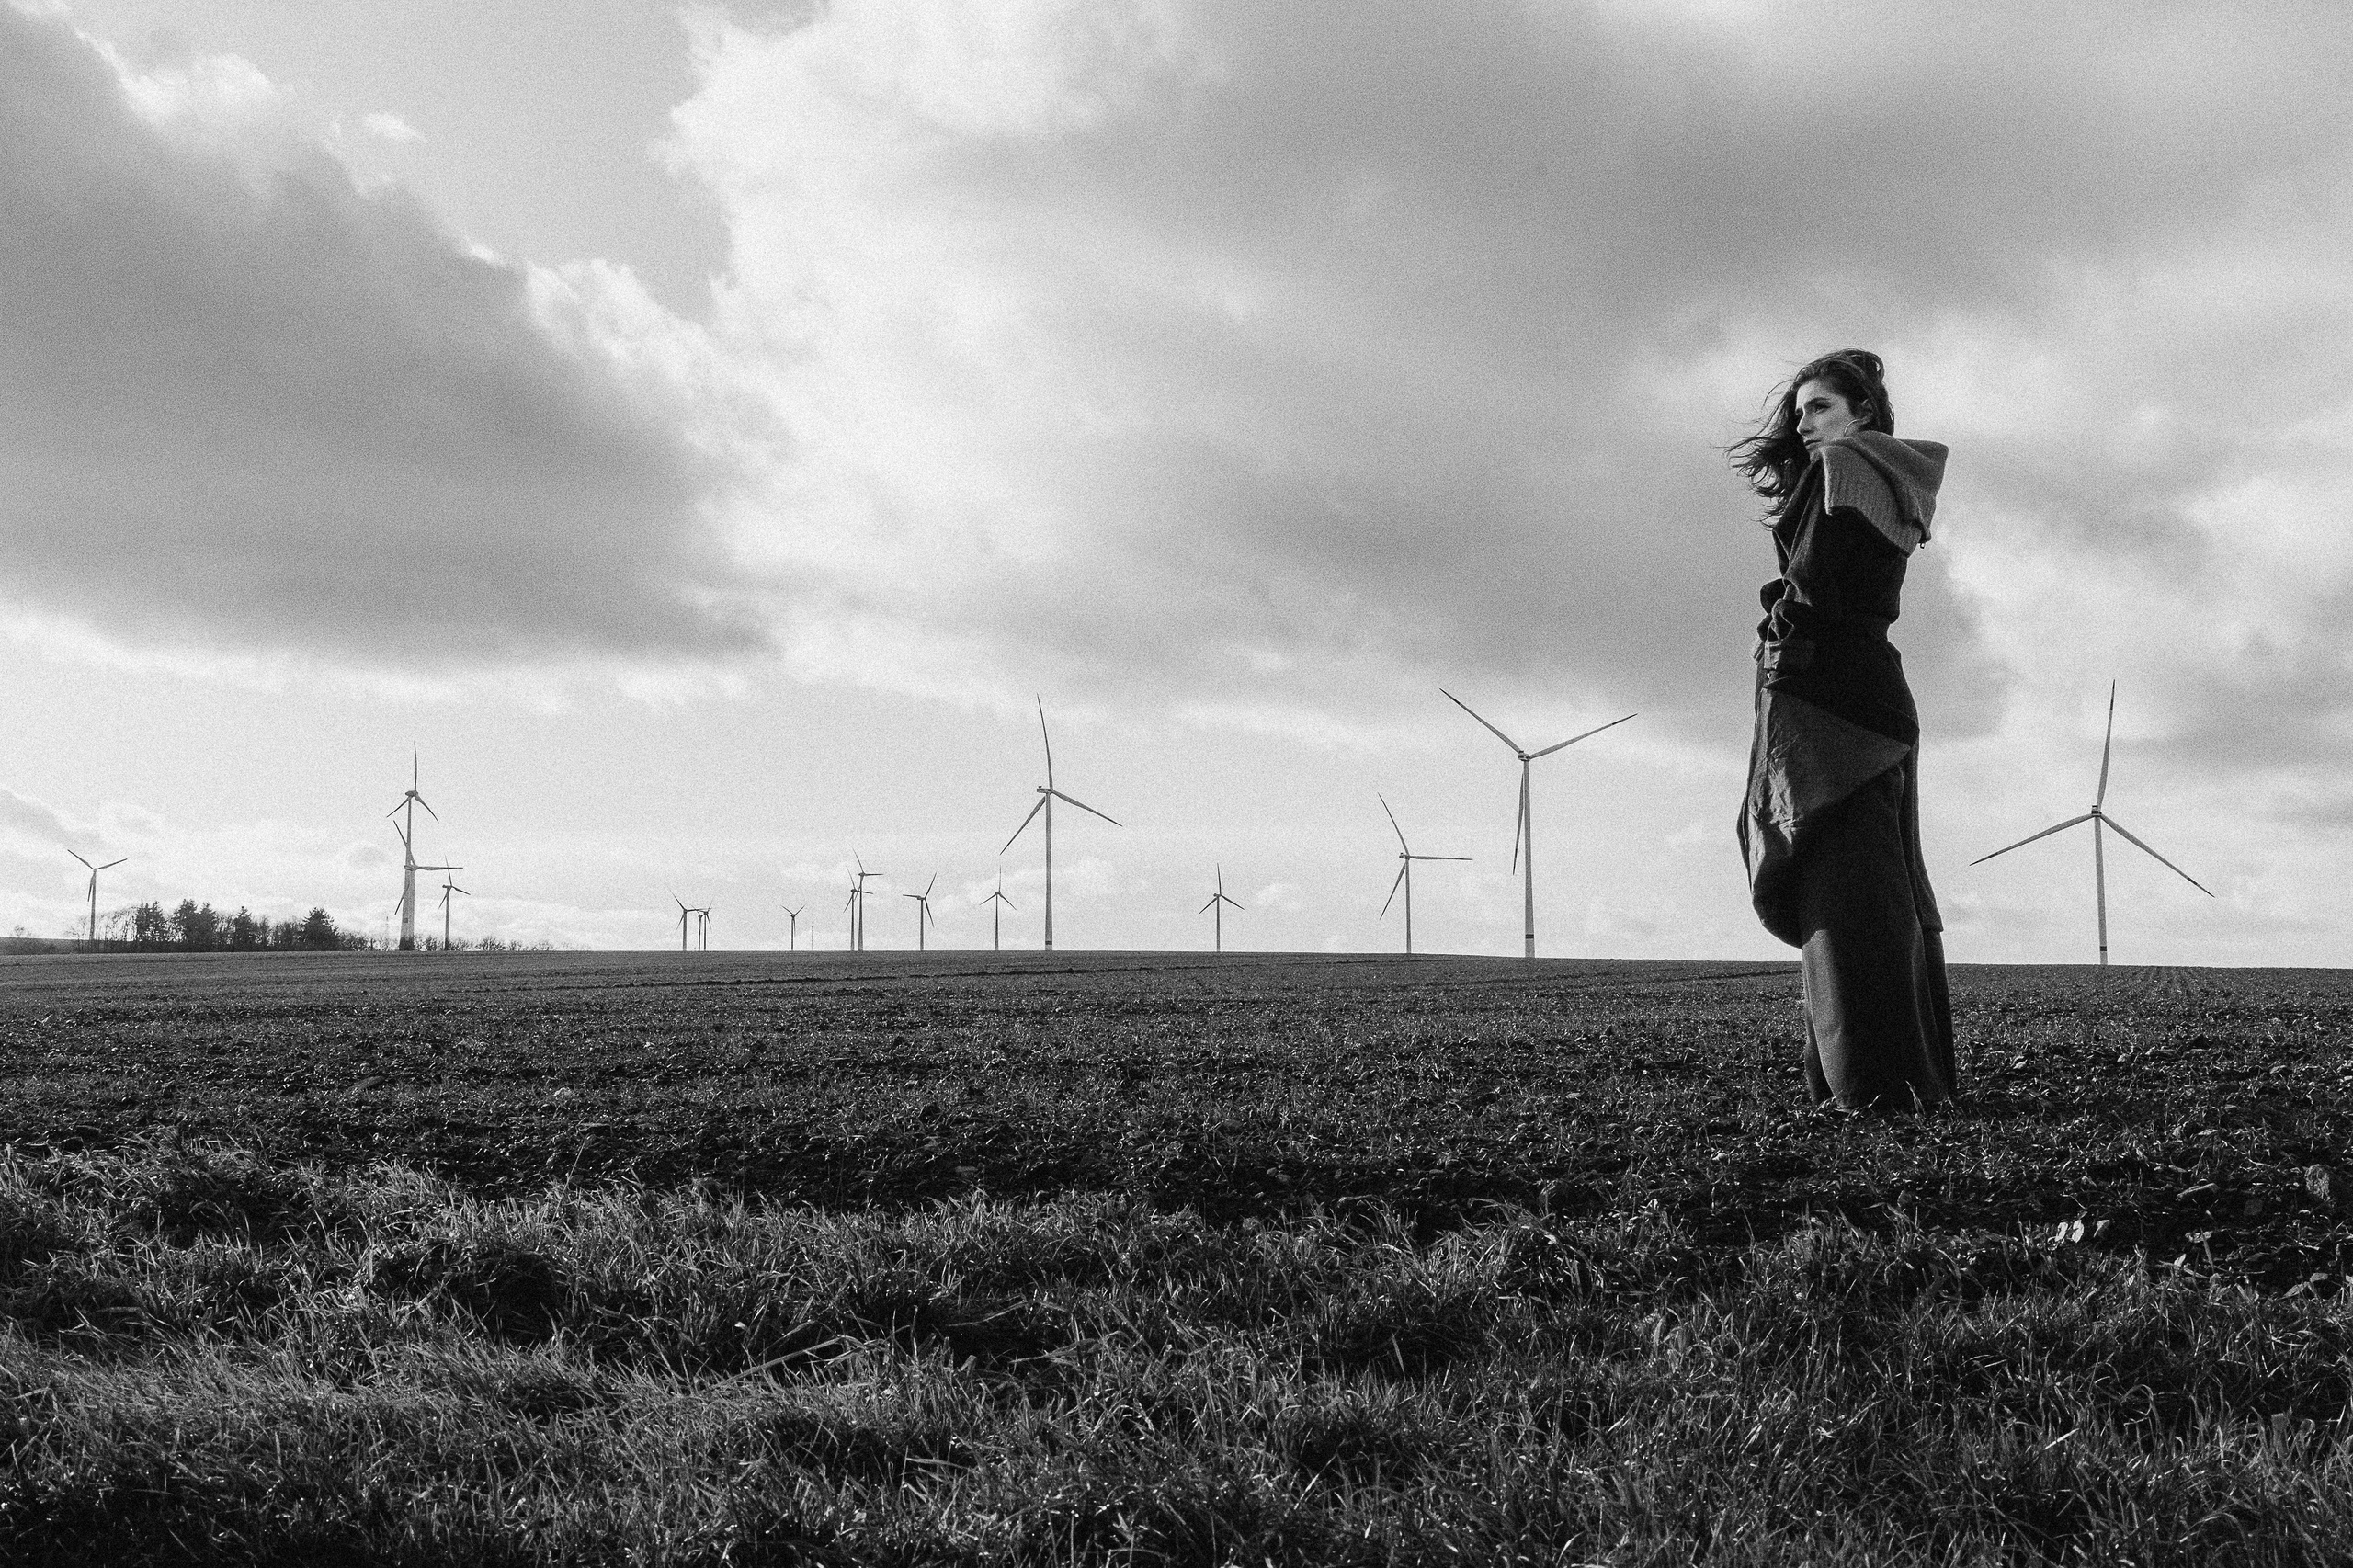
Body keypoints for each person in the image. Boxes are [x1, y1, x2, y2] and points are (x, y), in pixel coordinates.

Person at [1730, 350, 1955, 1109]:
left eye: (1820, 407)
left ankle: (1870, 1084)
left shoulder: (1844, 469)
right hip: (1878, 696)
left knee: (1844, 895)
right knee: (1885, 895)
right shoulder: (1898, 478)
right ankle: (1903, 1078)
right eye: (1799, 414)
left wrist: (1777, 627)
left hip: (1827, 702)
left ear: (1863, 411)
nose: (1804, 425)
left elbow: (1816, 587)